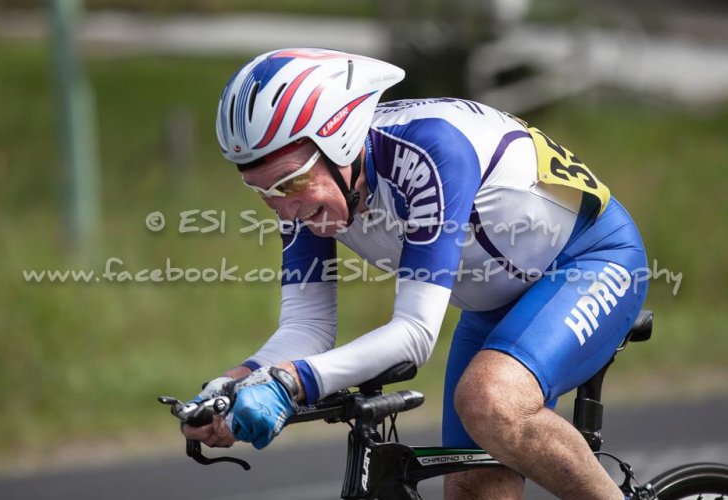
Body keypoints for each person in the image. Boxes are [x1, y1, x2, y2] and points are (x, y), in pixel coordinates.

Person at [182, 47, 648, 499]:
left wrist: (291, 384)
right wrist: (231, 386)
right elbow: (307, 328)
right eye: (263, 192)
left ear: (338, 139)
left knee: (489, 401)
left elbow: (413, 335)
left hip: (591, 261)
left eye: (290, 182)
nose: (285, 207)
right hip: (495, 305)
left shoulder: (430, 151)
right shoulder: (313, 188)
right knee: (470, 486)